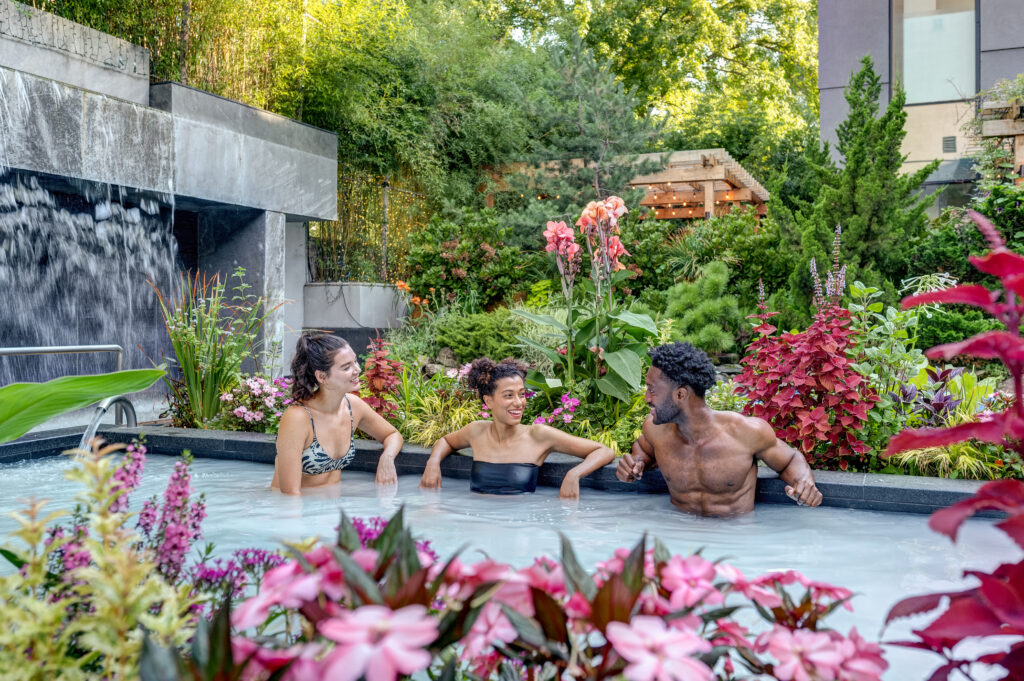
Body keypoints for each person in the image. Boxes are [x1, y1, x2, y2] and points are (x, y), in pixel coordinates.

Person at [616, 342, 823, 516]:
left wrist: (804, 483)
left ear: (680, 395)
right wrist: (637, 463)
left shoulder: (745, 433)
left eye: (652, 390)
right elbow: (643, 447)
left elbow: (790, 460)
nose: (646, 398)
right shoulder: (655, 430)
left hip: (734, 541)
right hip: (678, 537)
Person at [419, 358, 614, 497]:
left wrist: (574, 475)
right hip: (478, 525)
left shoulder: (539, 435)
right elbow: (446, 441)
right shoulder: (476, 431)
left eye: (522, 394)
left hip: (520, 526)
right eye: (509, 395)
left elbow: (603, 451)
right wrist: (432, 463)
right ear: (489, 401)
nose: (519, 402)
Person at [272, 334, 402, 495]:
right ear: (322, 376)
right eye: (346, 367)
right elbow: (290, 495)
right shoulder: (298, 418)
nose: (357, 369)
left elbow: (392, 434)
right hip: (300, 509)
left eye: (355, 361)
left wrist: (387, 458)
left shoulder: (352, 406)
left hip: (333, 504)